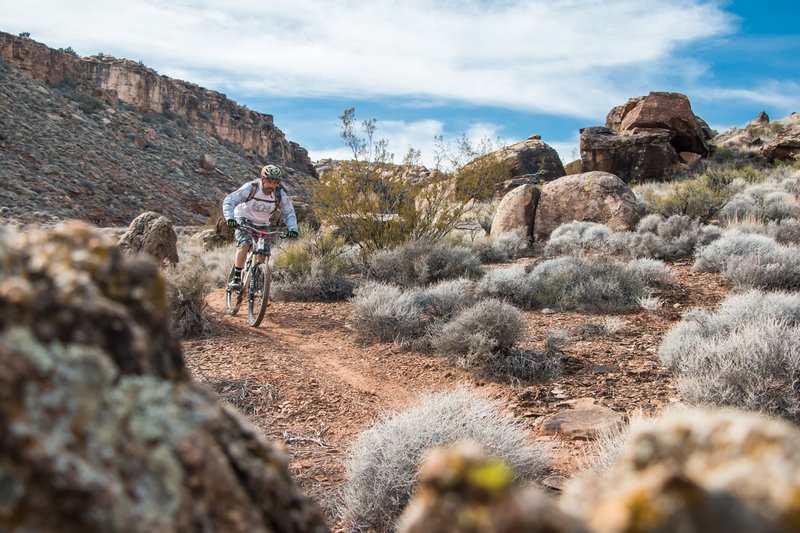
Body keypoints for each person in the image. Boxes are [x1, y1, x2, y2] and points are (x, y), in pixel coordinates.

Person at [222, 164, 299, 289]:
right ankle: (236, 278)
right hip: (244, 218)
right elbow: (229, 200)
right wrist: (230, 218)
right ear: (262, 180)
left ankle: (257, 281)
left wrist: (292, 229)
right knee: (245, 242)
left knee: (263, 253)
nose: (271, 186)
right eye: (269, 182)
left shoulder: (279, 194)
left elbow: (288, 212)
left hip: (262, 224)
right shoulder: (251, 188)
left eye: (274, 183)